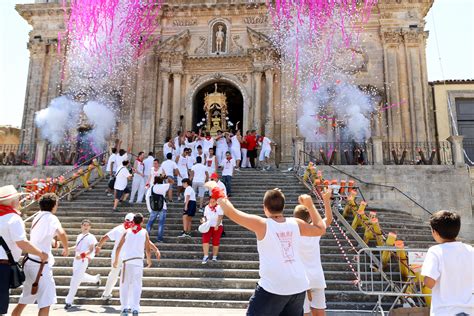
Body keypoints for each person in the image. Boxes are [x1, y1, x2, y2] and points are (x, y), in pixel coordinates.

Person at [212, 186, 332, 316]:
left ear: (265, 207)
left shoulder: (262, 224)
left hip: (273, 286)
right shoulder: (295, 223)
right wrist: (310, 205)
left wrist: (216, 189)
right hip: (298, 285)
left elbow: (232, 213)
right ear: (283, 206)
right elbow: (320, 228)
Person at [12, 193, 69, 316]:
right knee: (46, 302)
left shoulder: (37, 216)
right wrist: (66, 248)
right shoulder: (51, 218)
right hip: (41, 265)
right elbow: (62, 233)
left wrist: (53, 242)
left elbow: (39, 236)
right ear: (54, 205)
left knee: (25, 299)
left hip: (30, 262)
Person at [0, 185, 48, 315]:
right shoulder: (13, 218)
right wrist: (41, 254)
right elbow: (22, 243)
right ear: (12, 201)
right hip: (2, 266)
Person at [421, 210, 474, 316]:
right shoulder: (471, 250)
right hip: (469, 310)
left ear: (435, 232)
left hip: (445, 311)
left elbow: (429, 282)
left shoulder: (435, 251)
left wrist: (422, 278)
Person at [294, 201, 333, 316]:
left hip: (300, 277)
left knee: (304, 312)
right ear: (310, 218)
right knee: (320, 312)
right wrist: (326, 200)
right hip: (317, 277)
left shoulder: (292, 231)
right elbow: (329, 219)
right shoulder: (315, 230)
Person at [114, 213, 153, 316]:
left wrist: (116, 260)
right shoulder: (144, 232)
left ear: (133, 220)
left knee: (124, 285)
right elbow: (148, 248)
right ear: (142, 221)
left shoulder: (127, 232)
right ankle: (135, 308)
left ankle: (124, 308)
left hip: (127, 261)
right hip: (138, 261)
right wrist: (149, 260)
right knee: (137, 285)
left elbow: (118, 246)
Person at [96, 213, 135, 301]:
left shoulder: (119, 228)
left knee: (113, 275)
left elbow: (104, 237)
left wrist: (99, 246)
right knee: (124, 276)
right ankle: (126, 297)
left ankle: (106, 294)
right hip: (125, 256)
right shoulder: (132, 230)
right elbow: (104, 237)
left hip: (118, 255)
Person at [64, 219, 100, 310]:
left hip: (83, 260)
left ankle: (68, 301)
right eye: (84, 225)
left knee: (75, 280)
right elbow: (77, 247)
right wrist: (68, 249)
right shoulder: (79, 236)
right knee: (79, 277)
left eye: (88, 225)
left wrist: (82, 255)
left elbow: (91, 249)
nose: (86, 226)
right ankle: (95, 279)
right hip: (76, 260)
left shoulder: (91, 236)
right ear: (81, 226)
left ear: (90, 227)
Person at [145, 176, 174, 243]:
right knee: (161, 223)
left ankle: (146, 237)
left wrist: (149, 208)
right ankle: (159, 238)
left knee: (150, 223)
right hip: (162, 207)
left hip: (154, 207)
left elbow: (147, 198)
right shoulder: (164, 186)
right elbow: (172, 182)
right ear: (161, 180)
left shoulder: (152, 187)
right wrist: (166, 177)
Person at [200, 198, 224, 264]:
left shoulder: (219, 207)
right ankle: (205, 256)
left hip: (217, 226)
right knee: (205, 240)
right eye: (211, 201)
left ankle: (214, 257)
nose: (212, 202)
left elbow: (220, 216)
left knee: (215, 242)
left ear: (216, 201)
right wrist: (203, 220)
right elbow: (204, 216)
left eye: (213, 201)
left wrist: (217, 225)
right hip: (208, 226)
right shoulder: (207, 207)